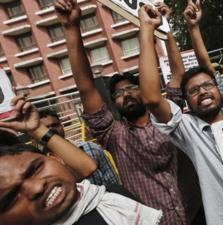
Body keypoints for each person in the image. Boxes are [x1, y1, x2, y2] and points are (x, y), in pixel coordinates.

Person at [54, 0, 187, 224]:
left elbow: (177, 74)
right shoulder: (114, 135)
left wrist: (166, 29)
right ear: (114, 104)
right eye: (118, 93)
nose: (125, 94)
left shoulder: (169, 116)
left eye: (132, 88)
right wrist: (71, 28)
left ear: (145, 90)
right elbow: (86, 87)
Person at [137, 4, 223, 225]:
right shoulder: (187, 129)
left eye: (208, 85)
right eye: (194, 90)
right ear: (186, 102)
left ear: (219, 90)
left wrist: (194, 28)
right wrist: (148, 30)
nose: (203, 91)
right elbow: (151, 97)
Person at [0, 96, 162, 225]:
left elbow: (88, 167)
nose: (36, 188)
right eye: (12, 197)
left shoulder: (111, 198)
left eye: (35, 169)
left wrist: (37, 129)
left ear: (55, 159)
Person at [38, 109, 120, 186]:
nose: (51, 130)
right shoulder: (39, 166)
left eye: (55, 125)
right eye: (45, 129)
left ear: (62, 126)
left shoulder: (90, 148)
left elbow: (113, 182)